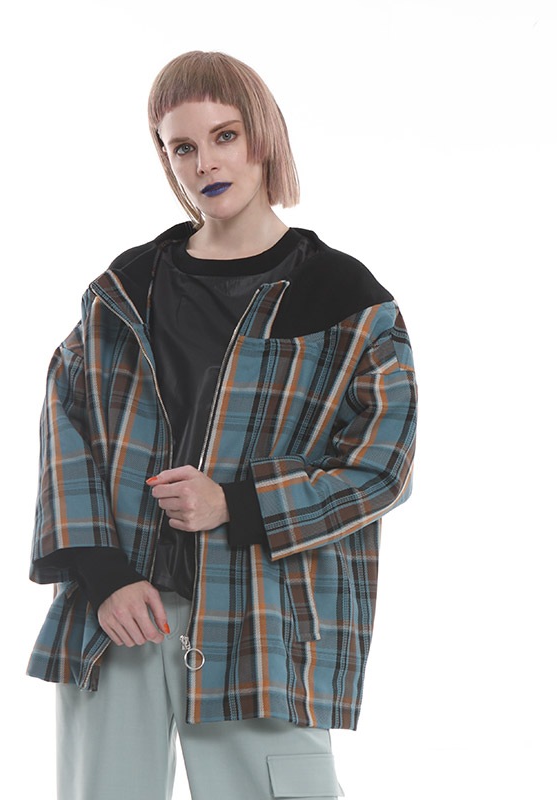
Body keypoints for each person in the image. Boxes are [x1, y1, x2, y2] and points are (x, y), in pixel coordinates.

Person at [28, 51, 417, 800]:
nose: (205, 162)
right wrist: (105, 575)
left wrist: (235, 503)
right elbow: (64, 422)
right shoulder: (126, 288)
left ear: (262, 137)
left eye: (224, 136)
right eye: (182, 146)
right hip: (121, 610)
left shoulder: (345, 299)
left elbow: (382, 468)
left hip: (261, 616)